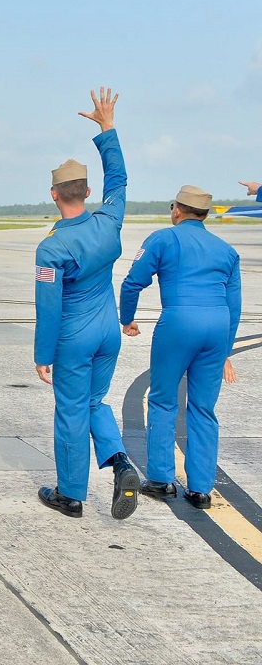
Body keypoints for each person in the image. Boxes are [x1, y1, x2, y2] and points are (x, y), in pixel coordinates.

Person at [34, 87, 140, 520]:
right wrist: (108, 129)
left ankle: (71, 494)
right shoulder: (108, 221)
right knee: (95, 403)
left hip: (74, 337)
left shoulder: (52, 248)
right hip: (107, 331)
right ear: (87, 190)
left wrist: (43, 355)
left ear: (55, 194)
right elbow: (119, 180)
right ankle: (120, 463)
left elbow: (49, 308)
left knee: (71, 413)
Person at [120, 186, 241, 510]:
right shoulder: (226, 250)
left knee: (162, 400)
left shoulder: (162, 239)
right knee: (203, 408)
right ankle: (201, 489)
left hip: (178, 324)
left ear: (177, 209)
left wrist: (126, 318)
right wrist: (225, 349)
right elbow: (235, 304)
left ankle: (161, 479)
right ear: (204, 214)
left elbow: (133, 282)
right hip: (216, 328)